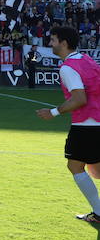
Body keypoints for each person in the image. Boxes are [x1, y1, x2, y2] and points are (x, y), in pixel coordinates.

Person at [36, 26, 100, 223]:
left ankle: (98, 212)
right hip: (96, 120)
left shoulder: (67, 67)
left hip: (87, 124)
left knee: (75, 165)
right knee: (96, 167)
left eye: (53, 40)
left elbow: (79, 99)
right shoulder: (87, 60)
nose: (50, 44)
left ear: (63, 43)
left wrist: (53, 112)